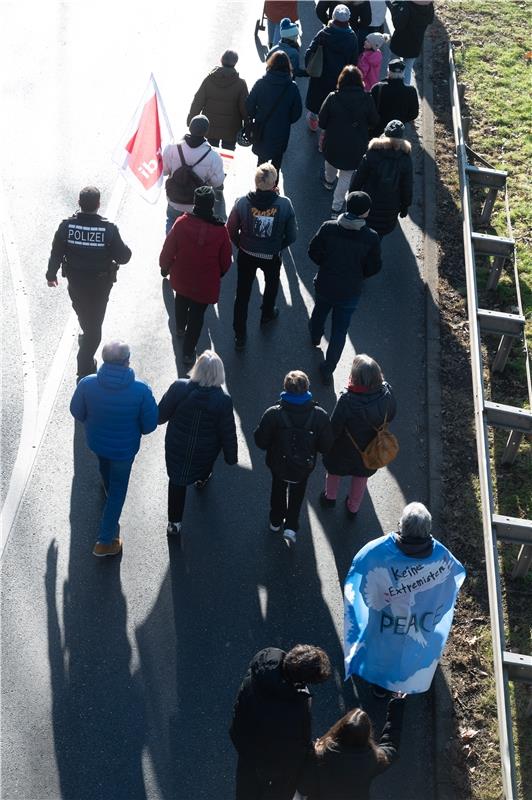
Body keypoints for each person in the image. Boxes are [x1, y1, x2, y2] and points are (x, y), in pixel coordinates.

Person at [344, 502, 466, 698]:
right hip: (419, 625)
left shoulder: (376, 550)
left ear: (402, 526)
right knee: (406, 655)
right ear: (428, 529)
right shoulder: (444, 559)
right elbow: (449, 591)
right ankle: (396, 683)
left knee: (379, 648)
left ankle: (377, 682)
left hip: (382, 620)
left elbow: (361, 582)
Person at [70, 340, 158, 557]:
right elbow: (149, 426)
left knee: (104, 466)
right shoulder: (141, 390)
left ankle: (107, 486)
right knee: (118, 492)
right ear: (127, 361)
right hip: (124, 450)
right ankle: (105, 541)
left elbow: (77, 412)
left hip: (97, 443)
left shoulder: (87, 384)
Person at [46, 186, 132, 381]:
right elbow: (123, 257)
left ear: (79, 203)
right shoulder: (108, 229)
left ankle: (86, 338)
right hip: (100, 287)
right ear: (98, 205)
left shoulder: (66, 227)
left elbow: (56, 252)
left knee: (84, 315)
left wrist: (51, 274)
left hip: (76, 284)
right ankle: (84, 366)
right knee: (95, 330)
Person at [230, 644, 331, 800]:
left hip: (245, 742)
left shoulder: (263, 662)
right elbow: (296, 748)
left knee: (245, 787)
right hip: (270, 763)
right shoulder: (296, 710)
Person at [157, 350, 237, 540]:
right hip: (205, 450)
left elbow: (161, 416)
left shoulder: (179, 387)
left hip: (177, 446)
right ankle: (202, 479)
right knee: (203, 468)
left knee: (176, 481)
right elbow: (227, 432)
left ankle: (174, 523)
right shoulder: (223, 400)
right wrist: (231, 456)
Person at [308, 192, 381, 385]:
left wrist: (325, 263)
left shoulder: (328, 228)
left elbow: (313, 251)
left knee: (319, 312)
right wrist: (360, 274)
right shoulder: (371, 238)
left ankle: (315, 337)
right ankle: (328, 367)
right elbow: (374, 267)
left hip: (325, 284)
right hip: (350, 292)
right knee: (340, 331)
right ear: (365, 213)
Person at [254, 371, 333, 544]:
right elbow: (326, 446)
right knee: (298, 493)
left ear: (285, 388)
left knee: (278, 489)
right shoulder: (319, 415)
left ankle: (275, 521)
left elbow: (260, 441)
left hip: (278, 464)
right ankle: (291, 526)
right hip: (303, 467)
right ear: (307, 388)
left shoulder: (273, 413)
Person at [159, 186, 232, 365]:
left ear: (195, 203)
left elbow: (168, 248)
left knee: (180, 301)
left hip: (181, 277)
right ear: (212, 205)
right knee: (197, 317)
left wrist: (164, 267)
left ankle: (179, 328)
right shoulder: (220, 230)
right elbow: (226, 261)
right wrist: (219, 273)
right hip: (205, 284)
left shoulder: (182, 223)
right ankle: (188, 352)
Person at [227, 163, 297, 350]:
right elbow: (292, 236)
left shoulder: (241, 202)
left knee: (242, 295)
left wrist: (240, 244)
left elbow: (231, 229)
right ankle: (267, 313)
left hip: (247, 253)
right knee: (272, 284)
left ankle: (239, 336)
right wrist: (277, 247)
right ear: (275, 183)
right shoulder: (284, 204)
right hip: (271, 255)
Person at [320, 354, 396, 518]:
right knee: (361, 477)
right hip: (370, 448)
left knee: (334, 472)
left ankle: (330, 497)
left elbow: (335, 428)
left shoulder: (347, 401)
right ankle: (353, 508)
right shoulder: (387, 394)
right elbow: (391, 414)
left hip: (343, 449)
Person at [300, 695, 406, 800]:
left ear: (339, 729)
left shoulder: (320, 754)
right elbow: (390, 744)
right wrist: (397, 705)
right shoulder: (372, 760)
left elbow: (304, 788)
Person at [319, 65, 378, 217]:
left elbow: (322, 121)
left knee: (330, 163)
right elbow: (374, 121)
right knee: (346, 176)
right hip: (355, 145)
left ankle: (328, 181)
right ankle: (336, 207)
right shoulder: (367, 98)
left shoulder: (333, 97)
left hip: (333, 142)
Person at [349, 119, 413, 238]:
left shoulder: (373, 153)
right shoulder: (405, 159)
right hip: (390, 209)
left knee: (360, 235)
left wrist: (352, 196)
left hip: (367, 204)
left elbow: (359, 178)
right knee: (377, 238)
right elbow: (407, 186)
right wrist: (404, 207)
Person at [162, 115, 225, 234]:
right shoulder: (213, 156)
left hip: (174, 199)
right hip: (196, 204)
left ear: (190, 127)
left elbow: (164, 171)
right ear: (206, 131)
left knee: (171, 221)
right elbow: (217, 182)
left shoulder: (172, 148)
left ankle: (170, 244)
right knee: (192, 231)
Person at [246, 50, 302, 173]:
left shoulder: (261, 83)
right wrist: (286, 119)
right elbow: (297, 113)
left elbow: (249, 105)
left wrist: (257, 115)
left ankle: (260, 188)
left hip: (262, 129)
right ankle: (272, 188)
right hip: (281, 132)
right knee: (276, 162)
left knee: (261, 163)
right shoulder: (292, 87)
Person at [305, 4, 358, 132]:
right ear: (347, 20)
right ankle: (325, 131)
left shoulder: (323, 34)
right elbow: (353, 62)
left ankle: (313, 122)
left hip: (320, 75)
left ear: (333, 17)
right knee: (332, 106)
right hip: (339, 78)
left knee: (316, 102)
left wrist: (309, 67)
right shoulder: (352, 38)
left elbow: (309, 52)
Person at [187, 50, 249, 151]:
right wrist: (247, 125)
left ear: (221, 60)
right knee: (227, 157)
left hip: (210, 127)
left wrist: (191, 119)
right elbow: (245, 108)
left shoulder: (209, 79)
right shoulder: (241, 84)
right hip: (231, 129)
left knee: (209, 154)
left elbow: (198, 101)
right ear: (236, 62)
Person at [389, 0, 435, 85]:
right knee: (408, 69)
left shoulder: (407, 4)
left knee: (393, 65)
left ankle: (392, 87)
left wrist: (395, 7)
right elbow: (430, 20)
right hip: (415, 43)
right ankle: (405, 90)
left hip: (400, 41)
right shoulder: (429, 6)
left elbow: (398, 24)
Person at [370, 58, 419, 136]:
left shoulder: (377, 88)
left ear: (388, 71)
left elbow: (370, 109)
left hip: (377, 130)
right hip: (398, 132)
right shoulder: (411, 91)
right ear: (403, 72)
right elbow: (414, 114)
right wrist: (402, 120)